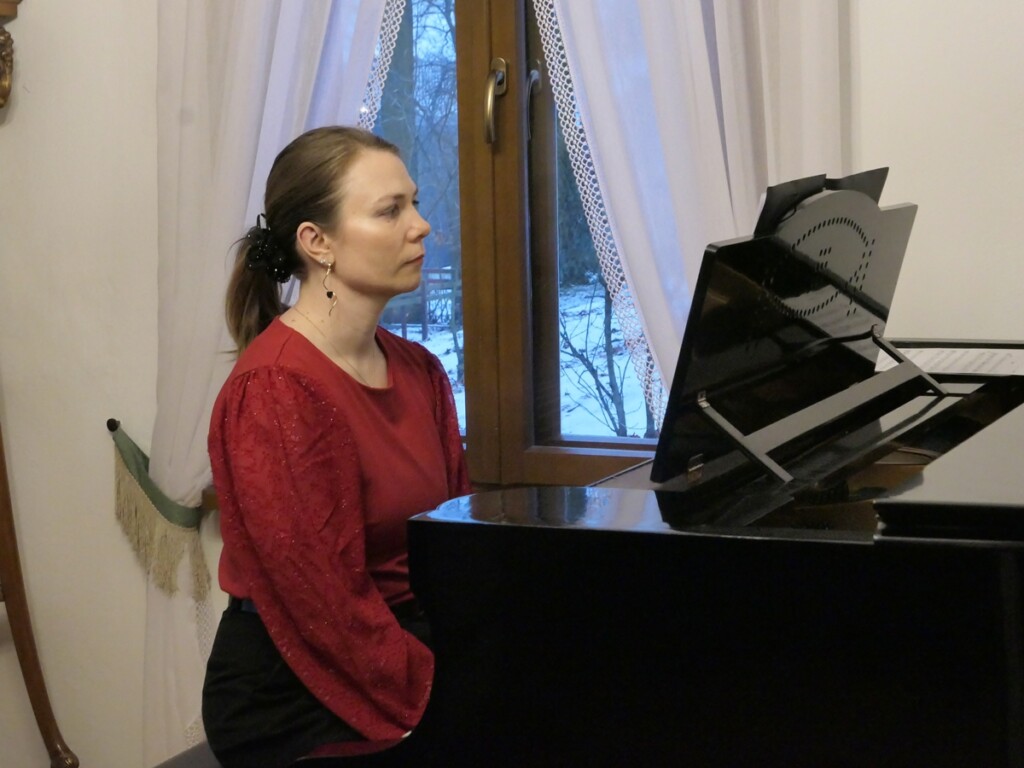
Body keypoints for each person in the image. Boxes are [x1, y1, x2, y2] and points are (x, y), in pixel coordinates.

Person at [202, 126, 471, 768]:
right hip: (298, 689)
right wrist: (444, 692)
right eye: (390, 210)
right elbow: (322, 605)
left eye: (414, 203)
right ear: (316, 242)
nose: (422, 226)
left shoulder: (421, 371)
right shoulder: (276, 389)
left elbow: (459, 545)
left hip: (402, 648)